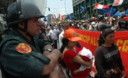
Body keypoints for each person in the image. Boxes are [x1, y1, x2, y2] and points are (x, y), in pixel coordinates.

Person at [0, 0, 66, 78]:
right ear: (21, 24)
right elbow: (45, 68)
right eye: (35, 20)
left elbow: (45, 43)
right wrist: (56, 52)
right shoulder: (11, 46)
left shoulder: (29, 38)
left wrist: (47, 52)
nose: (41, 23)